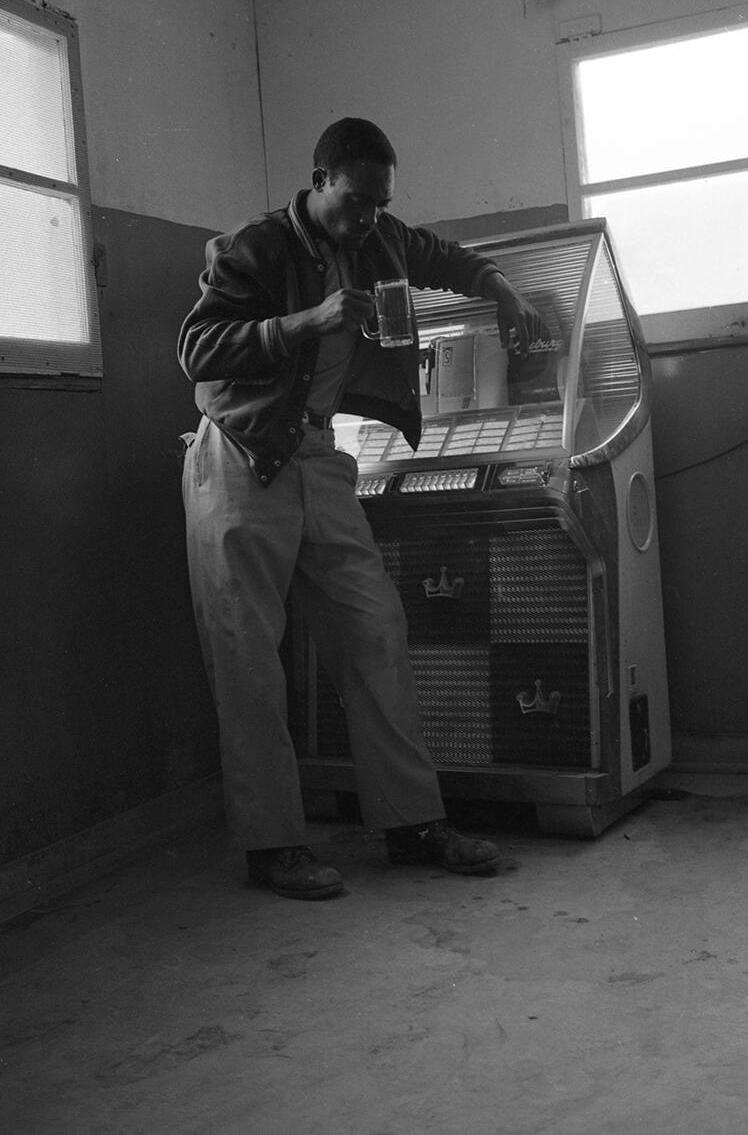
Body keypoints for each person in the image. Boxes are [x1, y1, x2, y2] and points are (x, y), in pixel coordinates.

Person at [178, 117, 540, 900]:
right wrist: (304, 322)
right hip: (240, 455)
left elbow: (447, 257)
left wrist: (502, 289)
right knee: (247, 657)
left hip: (315, 452)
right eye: (357, 200)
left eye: (382, 203)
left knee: (375, 628)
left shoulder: (383, 238)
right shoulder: (255, 246)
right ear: (320, 182)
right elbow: (197, 350)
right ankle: (274, 847)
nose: (370, 217)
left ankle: (412, 824)